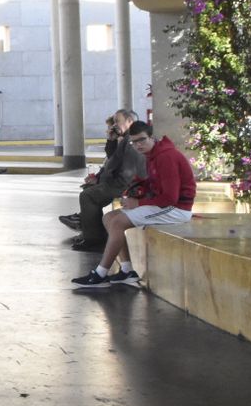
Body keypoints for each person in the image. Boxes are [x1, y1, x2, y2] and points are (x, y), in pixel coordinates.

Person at [72, 121, 197, 289]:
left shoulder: (166, 156)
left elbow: (170, 197)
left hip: (177, 209)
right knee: (109, 218)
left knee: (117, 222)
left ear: (152, 137)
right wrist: (138, 188)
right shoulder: (153, 155)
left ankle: (100, 274)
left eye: (142, 140)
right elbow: (155, 183)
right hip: (166, 205)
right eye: (134, 142)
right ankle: (127, 270)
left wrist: (138, 202)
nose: (138, 145)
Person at [60, 109, 145, 251]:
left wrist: (102, 181)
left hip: (127, 184)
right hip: (122, 181)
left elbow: (125, 171)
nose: (114, 125)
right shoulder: (126, 138)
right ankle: (89, 230)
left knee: (87, 196)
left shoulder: (133, 140)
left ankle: (94, 239)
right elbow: (113, 159)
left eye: (117, 121)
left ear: (130, 121)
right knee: (89, 190)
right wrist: (111, 141)